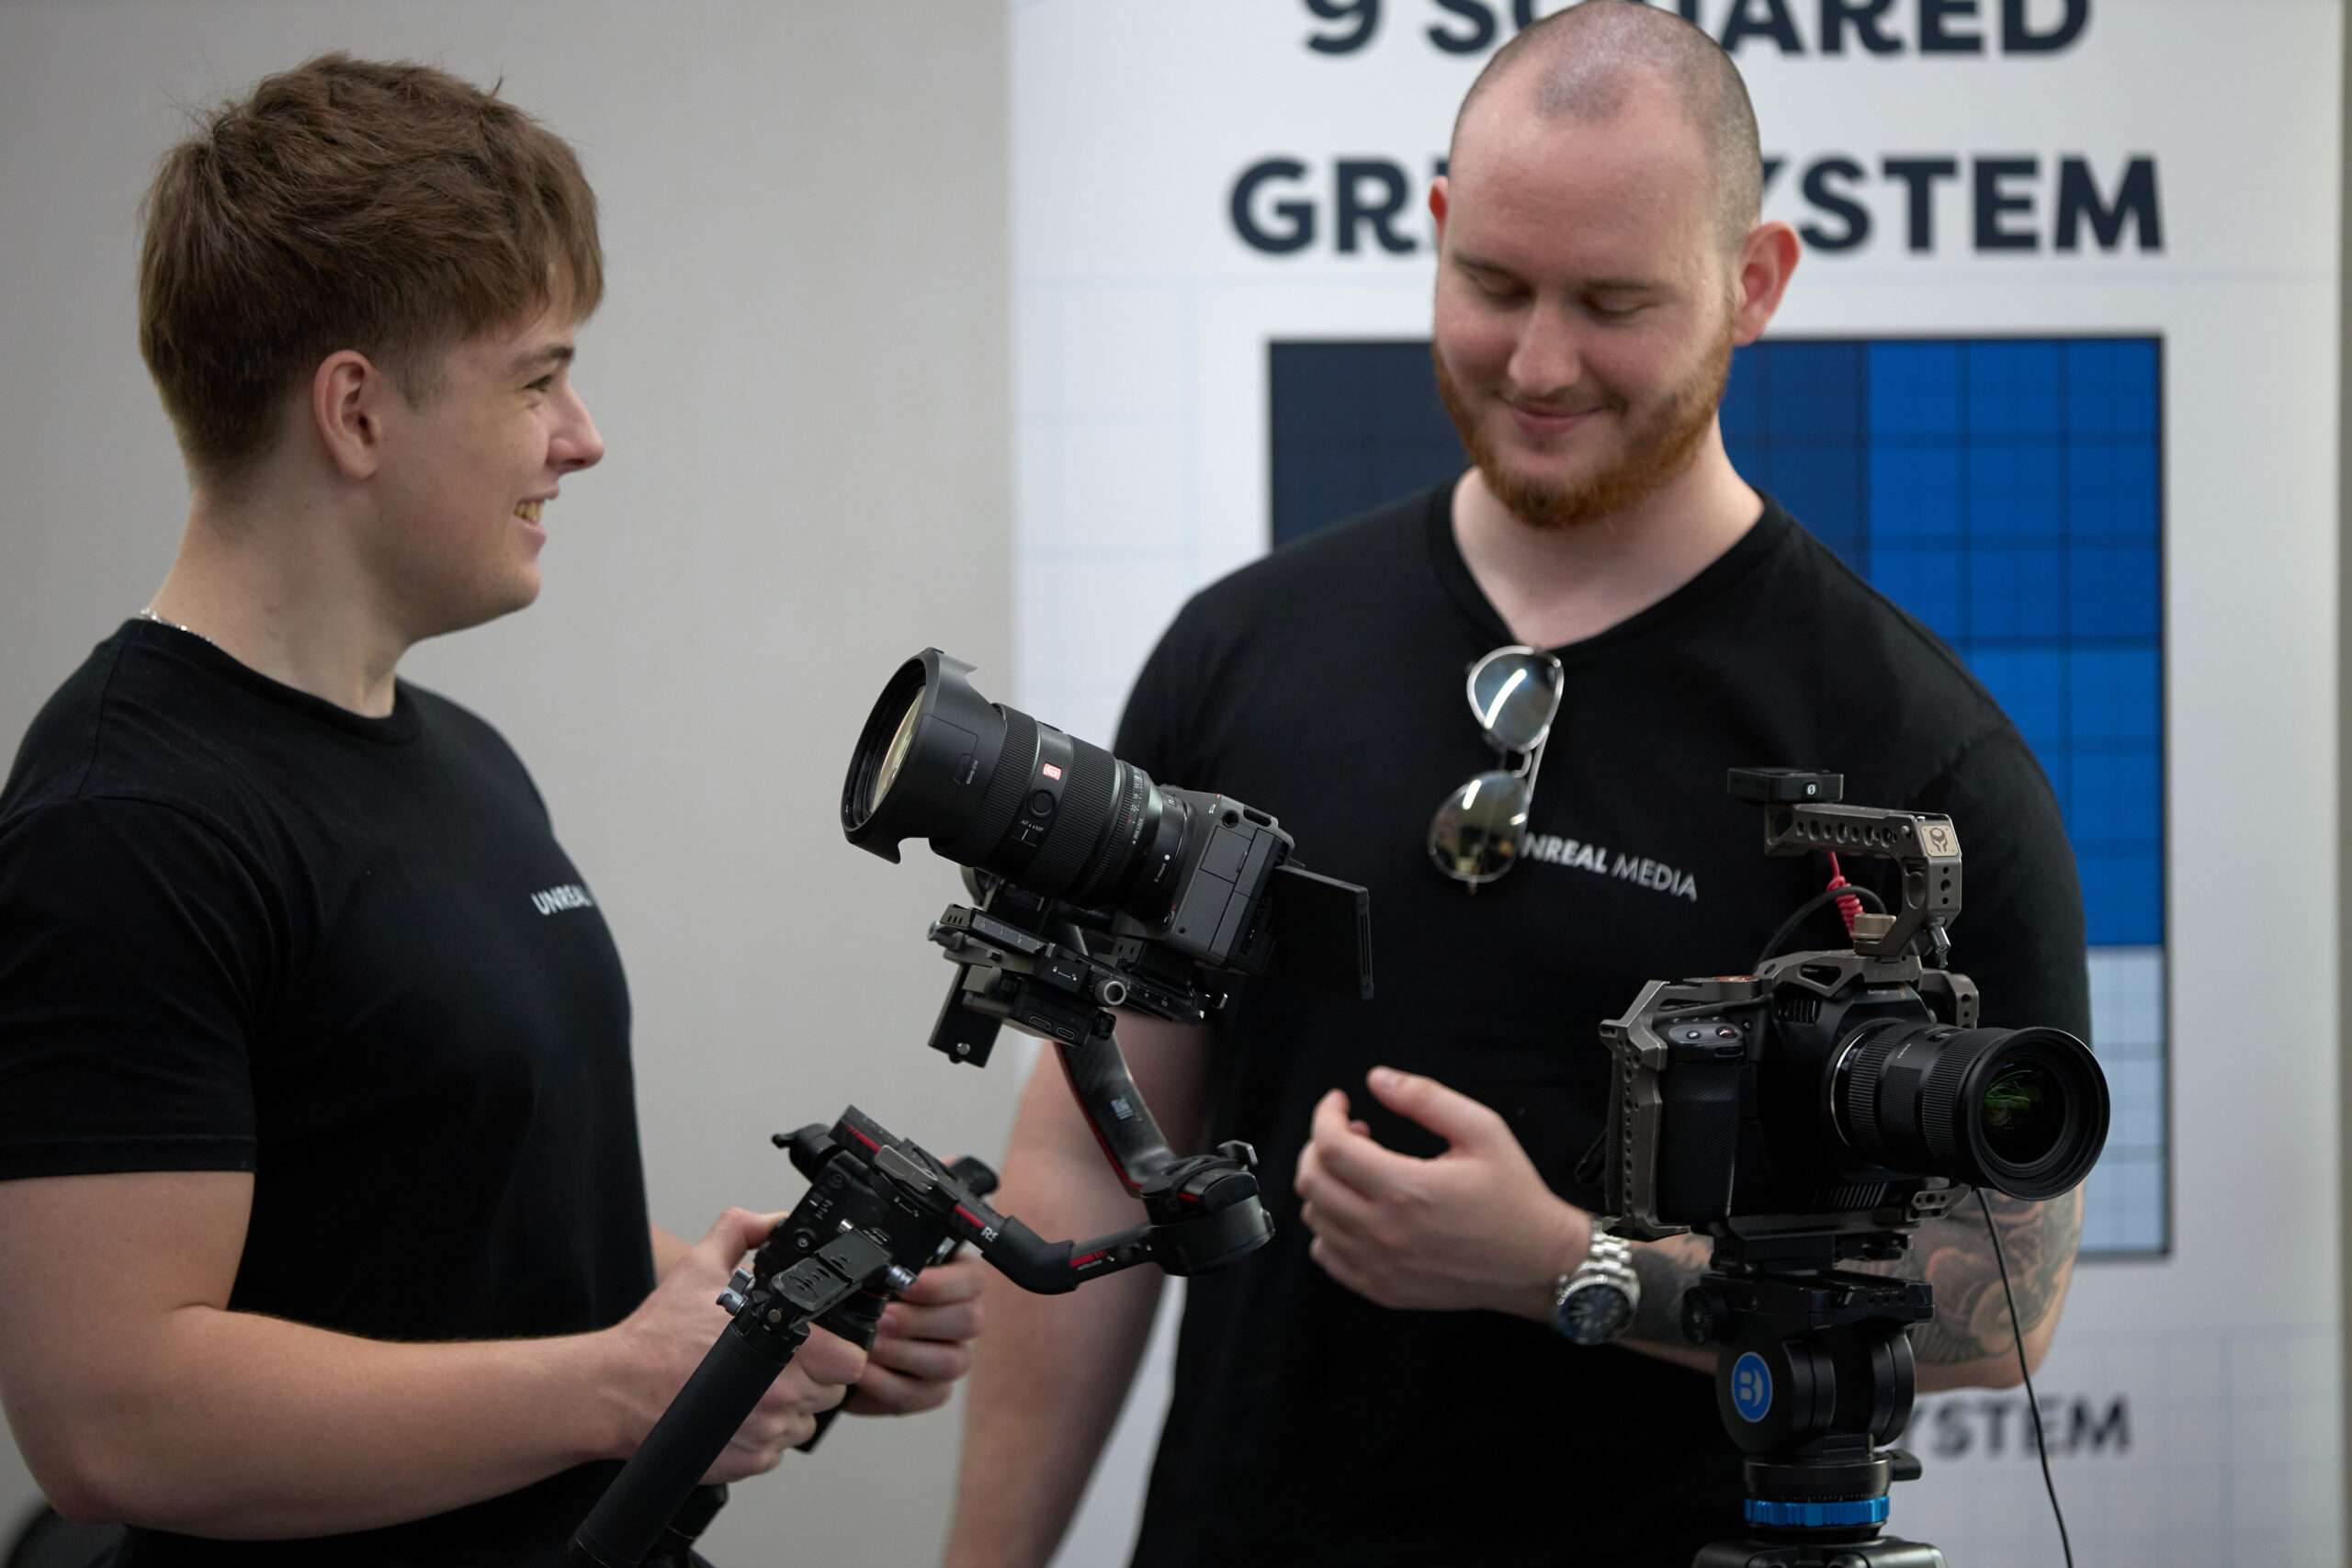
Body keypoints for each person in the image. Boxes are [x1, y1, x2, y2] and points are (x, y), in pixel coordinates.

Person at [943, 5, 2091, 1565]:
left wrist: (1560, 1262)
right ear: (1433, 233)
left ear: (1754, 285)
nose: (1539, 363)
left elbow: (2004, 1305)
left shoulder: (1911, 760)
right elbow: (1096, 1128)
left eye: (1614, 302)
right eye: (1492, 284)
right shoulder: (1247, 647)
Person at [0, 55, 979, 1568]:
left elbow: (444, 1234)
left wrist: (750, 1319)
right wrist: (612, 1388)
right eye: (535, 379)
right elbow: (113, 1417)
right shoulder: (122, 824)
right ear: (356, 412)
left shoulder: (451, 753)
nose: (580, 437)